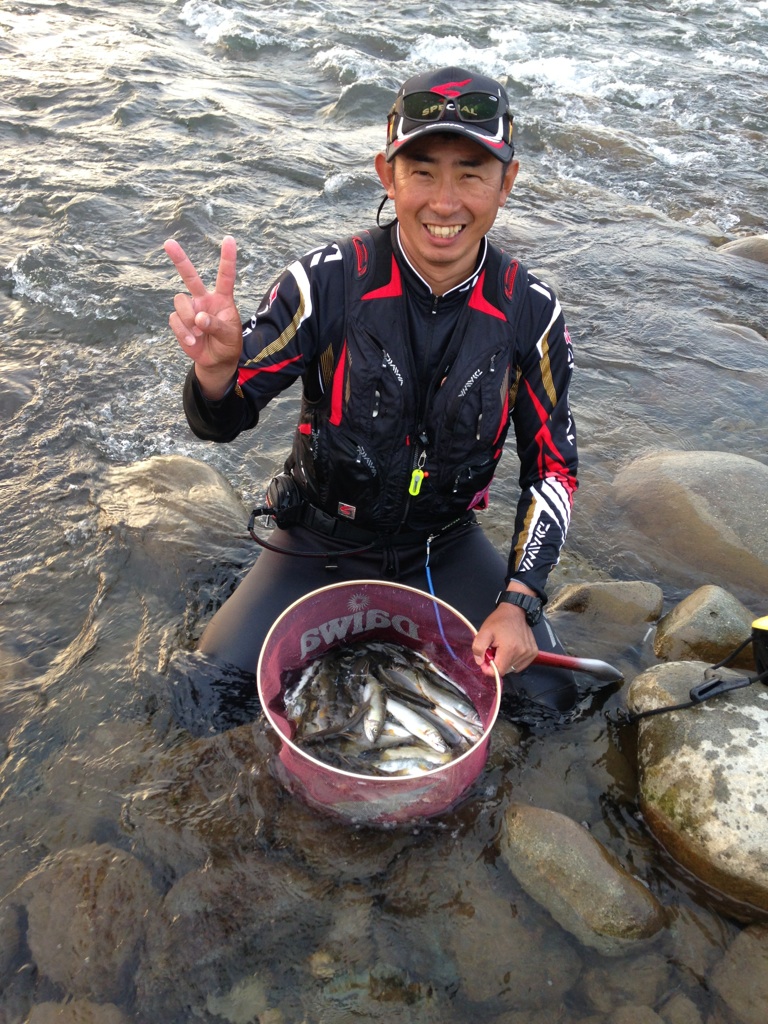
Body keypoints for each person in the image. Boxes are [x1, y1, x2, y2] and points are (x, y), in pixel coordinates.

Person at [165, 66, 579, 721]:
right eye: (422, 171)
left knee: (548, 704)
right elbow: (227, 416)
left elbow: (552, 469)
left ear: (508, 183)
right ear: (387, 176)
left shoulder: (532, 313)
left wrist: (519, 598)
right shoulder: (324, 284)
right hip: (318, 546)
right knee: (202, 702)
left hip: (442, 549)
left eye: (471, 172)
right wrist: (216, 374)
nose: (445, 202)